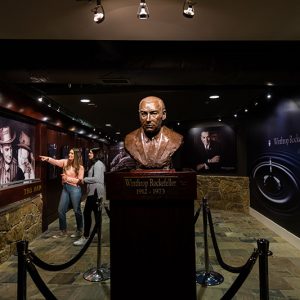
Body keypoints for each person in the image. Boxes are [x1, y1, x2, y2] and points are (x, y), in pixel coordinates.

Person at [124, 96, 183, 169]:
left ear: (163, 114)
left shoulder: (176, 139)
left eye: (153, 113)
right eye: (144, 114)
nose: (148, 119)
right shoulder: (129, 140)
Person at [40, 148, 84, 238]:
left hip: (75, 189)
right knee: (61, 210)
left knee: (77, 210)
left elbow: (80, 181)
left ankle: (79, 229)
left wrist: (67, 178)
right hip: (65, 188)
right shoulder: (65, 162)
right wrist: (47, 158)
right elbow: (56, 162)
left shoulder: (80, 167)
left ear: (76, 155)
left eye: (72, 153)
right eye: (69, 153)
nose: (70, 155)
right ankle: (63, 231)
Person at [73, 148, 106, 246]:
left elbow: (97, 178)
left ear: (96, 154)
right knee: (96, 214)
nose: (89, 154)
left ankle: (86, 236)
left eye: (91, 152)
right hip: (95, 192)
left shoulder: (98, 164)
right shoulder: (98, 164)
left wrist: (85, 179)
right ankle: (97, 233)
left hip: (95, 192)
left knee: (87, 213)